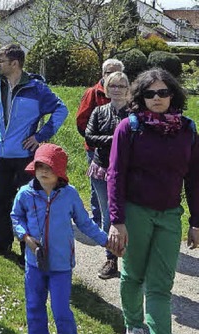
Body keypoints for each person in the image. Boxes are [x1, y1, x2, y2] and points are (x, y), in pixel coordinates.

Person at [107, 68, 199, 334]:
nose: (156, 98)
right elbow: (115, 174)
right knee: (133, 275)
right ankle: (134, 327)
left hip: (170, 216)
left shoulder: (188, 130)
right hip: (135, 213)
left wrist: (196, 221)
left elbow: (194, 178)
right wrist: (116, 219)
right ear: (140, 97)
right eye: (149, 93)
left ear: (173, 94)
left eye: (162, 92)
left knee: (161, 285)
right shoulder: (130, 127)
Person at [11, 143, 116, 334]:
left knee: (61, 312)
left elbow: (85, 223)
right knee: (34, 307)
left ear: (59, 171)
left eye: (49, 167)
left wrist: (106, 242)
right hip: (34, 264)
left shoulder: (70, 195)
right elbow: (16, 216)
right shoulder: (25, 193)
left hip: (61, 265)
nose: (43, 171)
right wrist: (25, 237)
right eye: (39, 165)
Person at [0, 43, 68, 266]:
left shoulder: (36, 88)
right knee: (2, 200)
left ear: (15, 64)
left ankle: (25, 250)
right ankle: (2, 243)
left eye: (1, 61)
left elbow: (61, 109)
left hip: (25, 157)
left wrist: (41, 136)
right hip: (1, 154)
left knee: (25, 203)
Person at [84, 71, 130, 280]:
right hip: (102, 169)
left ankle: (131, 258)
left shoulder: (135, 113)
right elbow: (90, 136)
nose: (117, 90)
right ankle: (111, 258)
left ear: (128, 89)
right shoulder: (99, 111)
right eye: (113, 86)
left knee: (129, 215)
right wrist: (116, 138)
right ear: (106, 88)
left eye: (122, 86)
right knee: (108, 216)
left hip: (129, 171)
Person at [76, 58, 124, 229]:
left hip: (121, 156)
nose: (112, 76)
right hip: (96, 151)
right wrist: (99, 142)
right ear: (102, 74)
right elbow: (82, 121)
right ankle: (98, 222)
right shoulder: (93, 93)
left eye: (116, 72)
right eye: (108, 72)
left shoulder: (129, 101)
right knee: (98, 190)